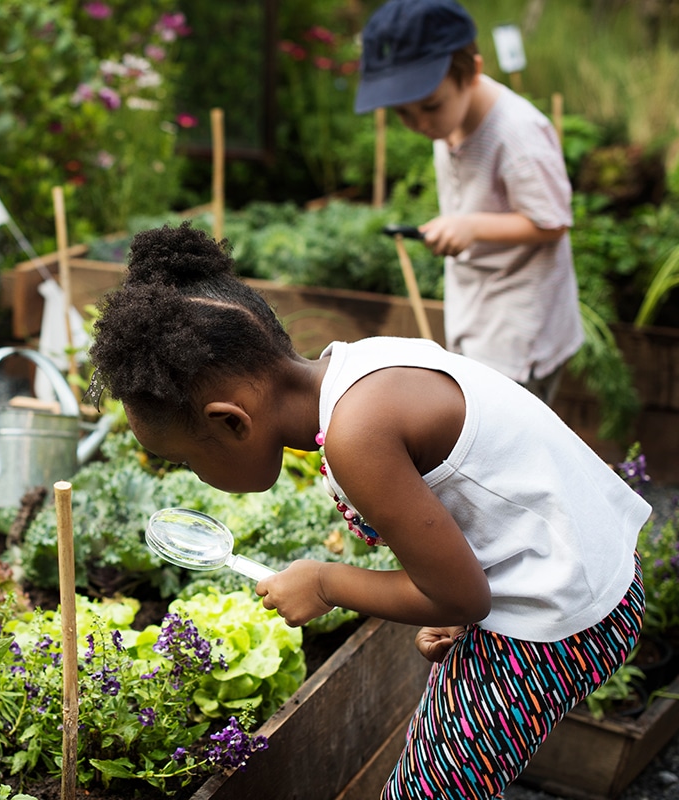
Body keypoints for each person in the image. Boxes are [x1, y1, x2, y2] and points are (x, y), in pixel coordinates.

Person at [87, 222, 650, 798]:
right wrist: (453, 599)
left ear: (231, 421)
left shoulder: (357, 436)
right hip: (587, 569)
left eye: (186, 461)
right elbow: (478, 514)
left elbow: (461, 595)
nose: (197, 477)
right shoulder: (359, 369)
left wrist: (327, 583)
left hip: (560, 615)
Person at [354, 0, 584, 406]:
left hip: (520, 329)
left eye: (430, 106)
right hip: (478, 311)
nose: (422, 124)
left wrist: (472, 226)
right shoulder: (449, 119)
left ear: (472, 73)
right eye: (403, 114)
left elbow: (553, 222)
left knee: (507, 441)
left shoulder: (518, 134)